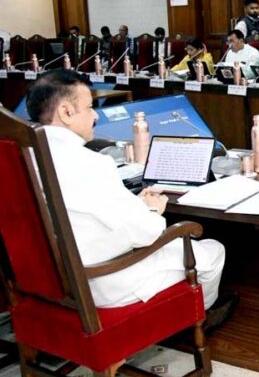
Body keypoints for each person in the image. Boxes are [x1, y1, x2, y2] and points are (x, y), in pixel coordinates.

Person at [25, 70, 235, 322]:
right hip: (104, 280)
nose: (95, 115)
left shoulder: (24, 157)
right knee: (212, 251)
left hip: (48, 278)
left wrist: (135, 206)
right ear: (66, 112)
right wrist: (152, 210)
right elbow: (146, 233)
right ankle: (197, 316)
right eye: (90, 107)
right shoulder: (90, 163)